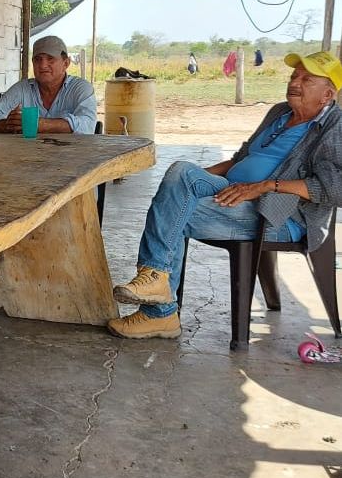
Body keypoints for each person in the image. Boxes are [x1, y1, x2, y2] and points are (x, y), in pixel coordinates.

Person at [108, 51, 342, 339]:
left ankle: (160, 311)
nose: (296, 82)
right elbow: (241, 157)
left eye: (307, 79)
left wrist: (267, 186)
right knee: (180, 175)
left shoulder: (334, 126)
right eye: (295, 75)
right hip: (234, 193)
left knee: (173, 212)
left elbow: (336, 187)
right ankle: (157, 290)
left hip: (279, 216)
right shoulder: (280, 113)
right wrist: (187, 179)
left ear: (327, 94)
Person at [0, 35, 96, 134]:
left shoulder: (81, 88)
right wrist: (7, 125)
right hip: (28, 158)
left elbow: (88, 125)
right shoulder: (23, 88)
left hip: (72, 157)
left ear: (66, 63)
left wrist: (41, 125)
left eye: (50, 59)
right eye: (38, 59)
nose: (43, 65)